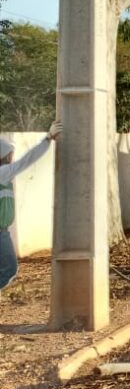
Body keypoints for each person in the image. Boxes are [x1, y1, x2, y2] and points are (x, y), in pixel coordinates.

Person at [1, 121, 63, 291]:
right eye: (9, 155)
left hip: (3, 233)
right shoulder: (2, 173)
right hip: (1, 234)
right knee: (9, 270)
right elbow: (27, 160)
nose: (12, 157)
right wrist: (48, 138)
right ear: (4, 156)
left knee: (8, 270)